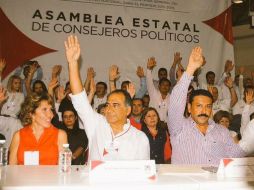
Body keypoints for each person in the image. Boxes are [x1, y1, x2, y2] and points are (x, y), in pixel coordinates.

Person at [65, 35, 150, 161]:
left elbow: (143, 172)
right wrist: (72, 63)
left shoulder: (139, 138)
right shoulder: (96, 124)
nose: (109, 109)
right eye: (108, 104)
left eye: (115, 105)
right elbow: (79, 97)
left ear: (128, 110)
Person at [168, 47, 246, 166]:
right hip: (187, 183)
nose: (204, 110)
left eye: (208, 106)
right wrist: (190, 69)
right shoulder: (179, 128)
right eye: (199, 106)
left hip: (217, 183)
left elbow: (235, 156)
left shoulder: (222, 131)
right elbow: (175, 103)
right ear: (189, 108)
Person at [9, 92, 67, 165]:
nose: (50, 115)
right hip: (24, 176)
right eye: (44, 109)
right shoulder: (18, 136)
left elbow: (63, 169)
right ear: (31, 113)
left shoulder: (60, 135)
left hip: (50, 176)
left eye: (51, 109)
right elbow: (12, 169)